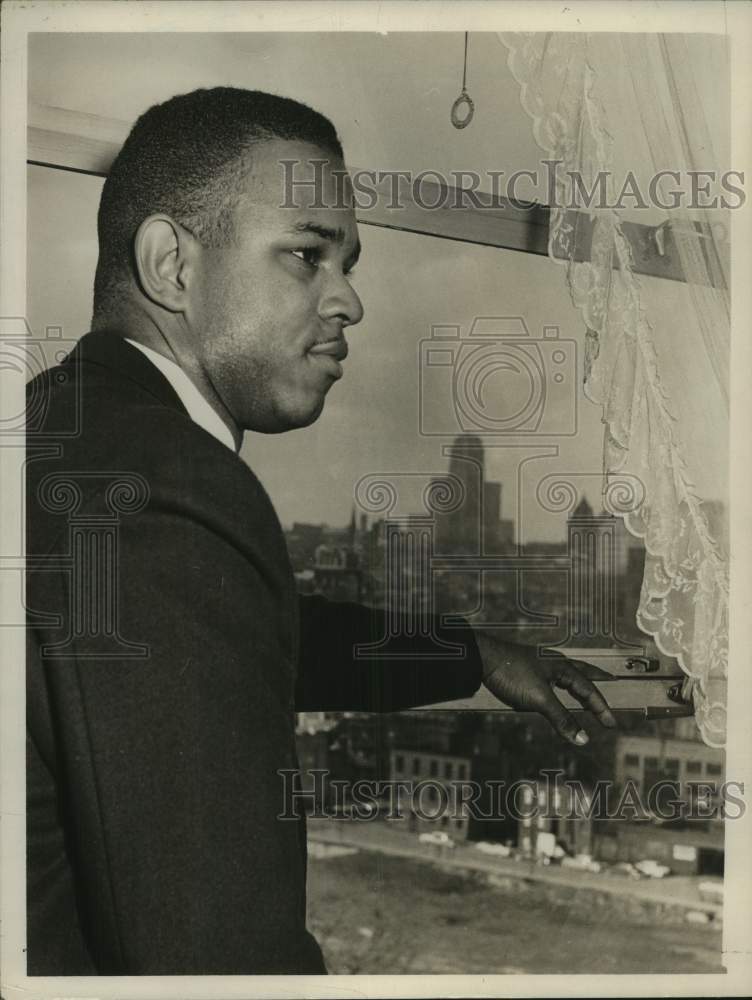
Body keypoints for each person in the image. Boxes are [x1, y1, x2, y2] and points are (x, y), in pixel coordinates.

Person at [25, 87, 615, 975]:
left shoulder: (64, 425)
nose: (350, 302)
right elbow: (219, 961)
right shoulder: (175, 488)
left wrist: (476, 653)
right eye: (308, 256)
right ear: (172, 267)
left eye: (350, 262)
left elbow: (236, 640)